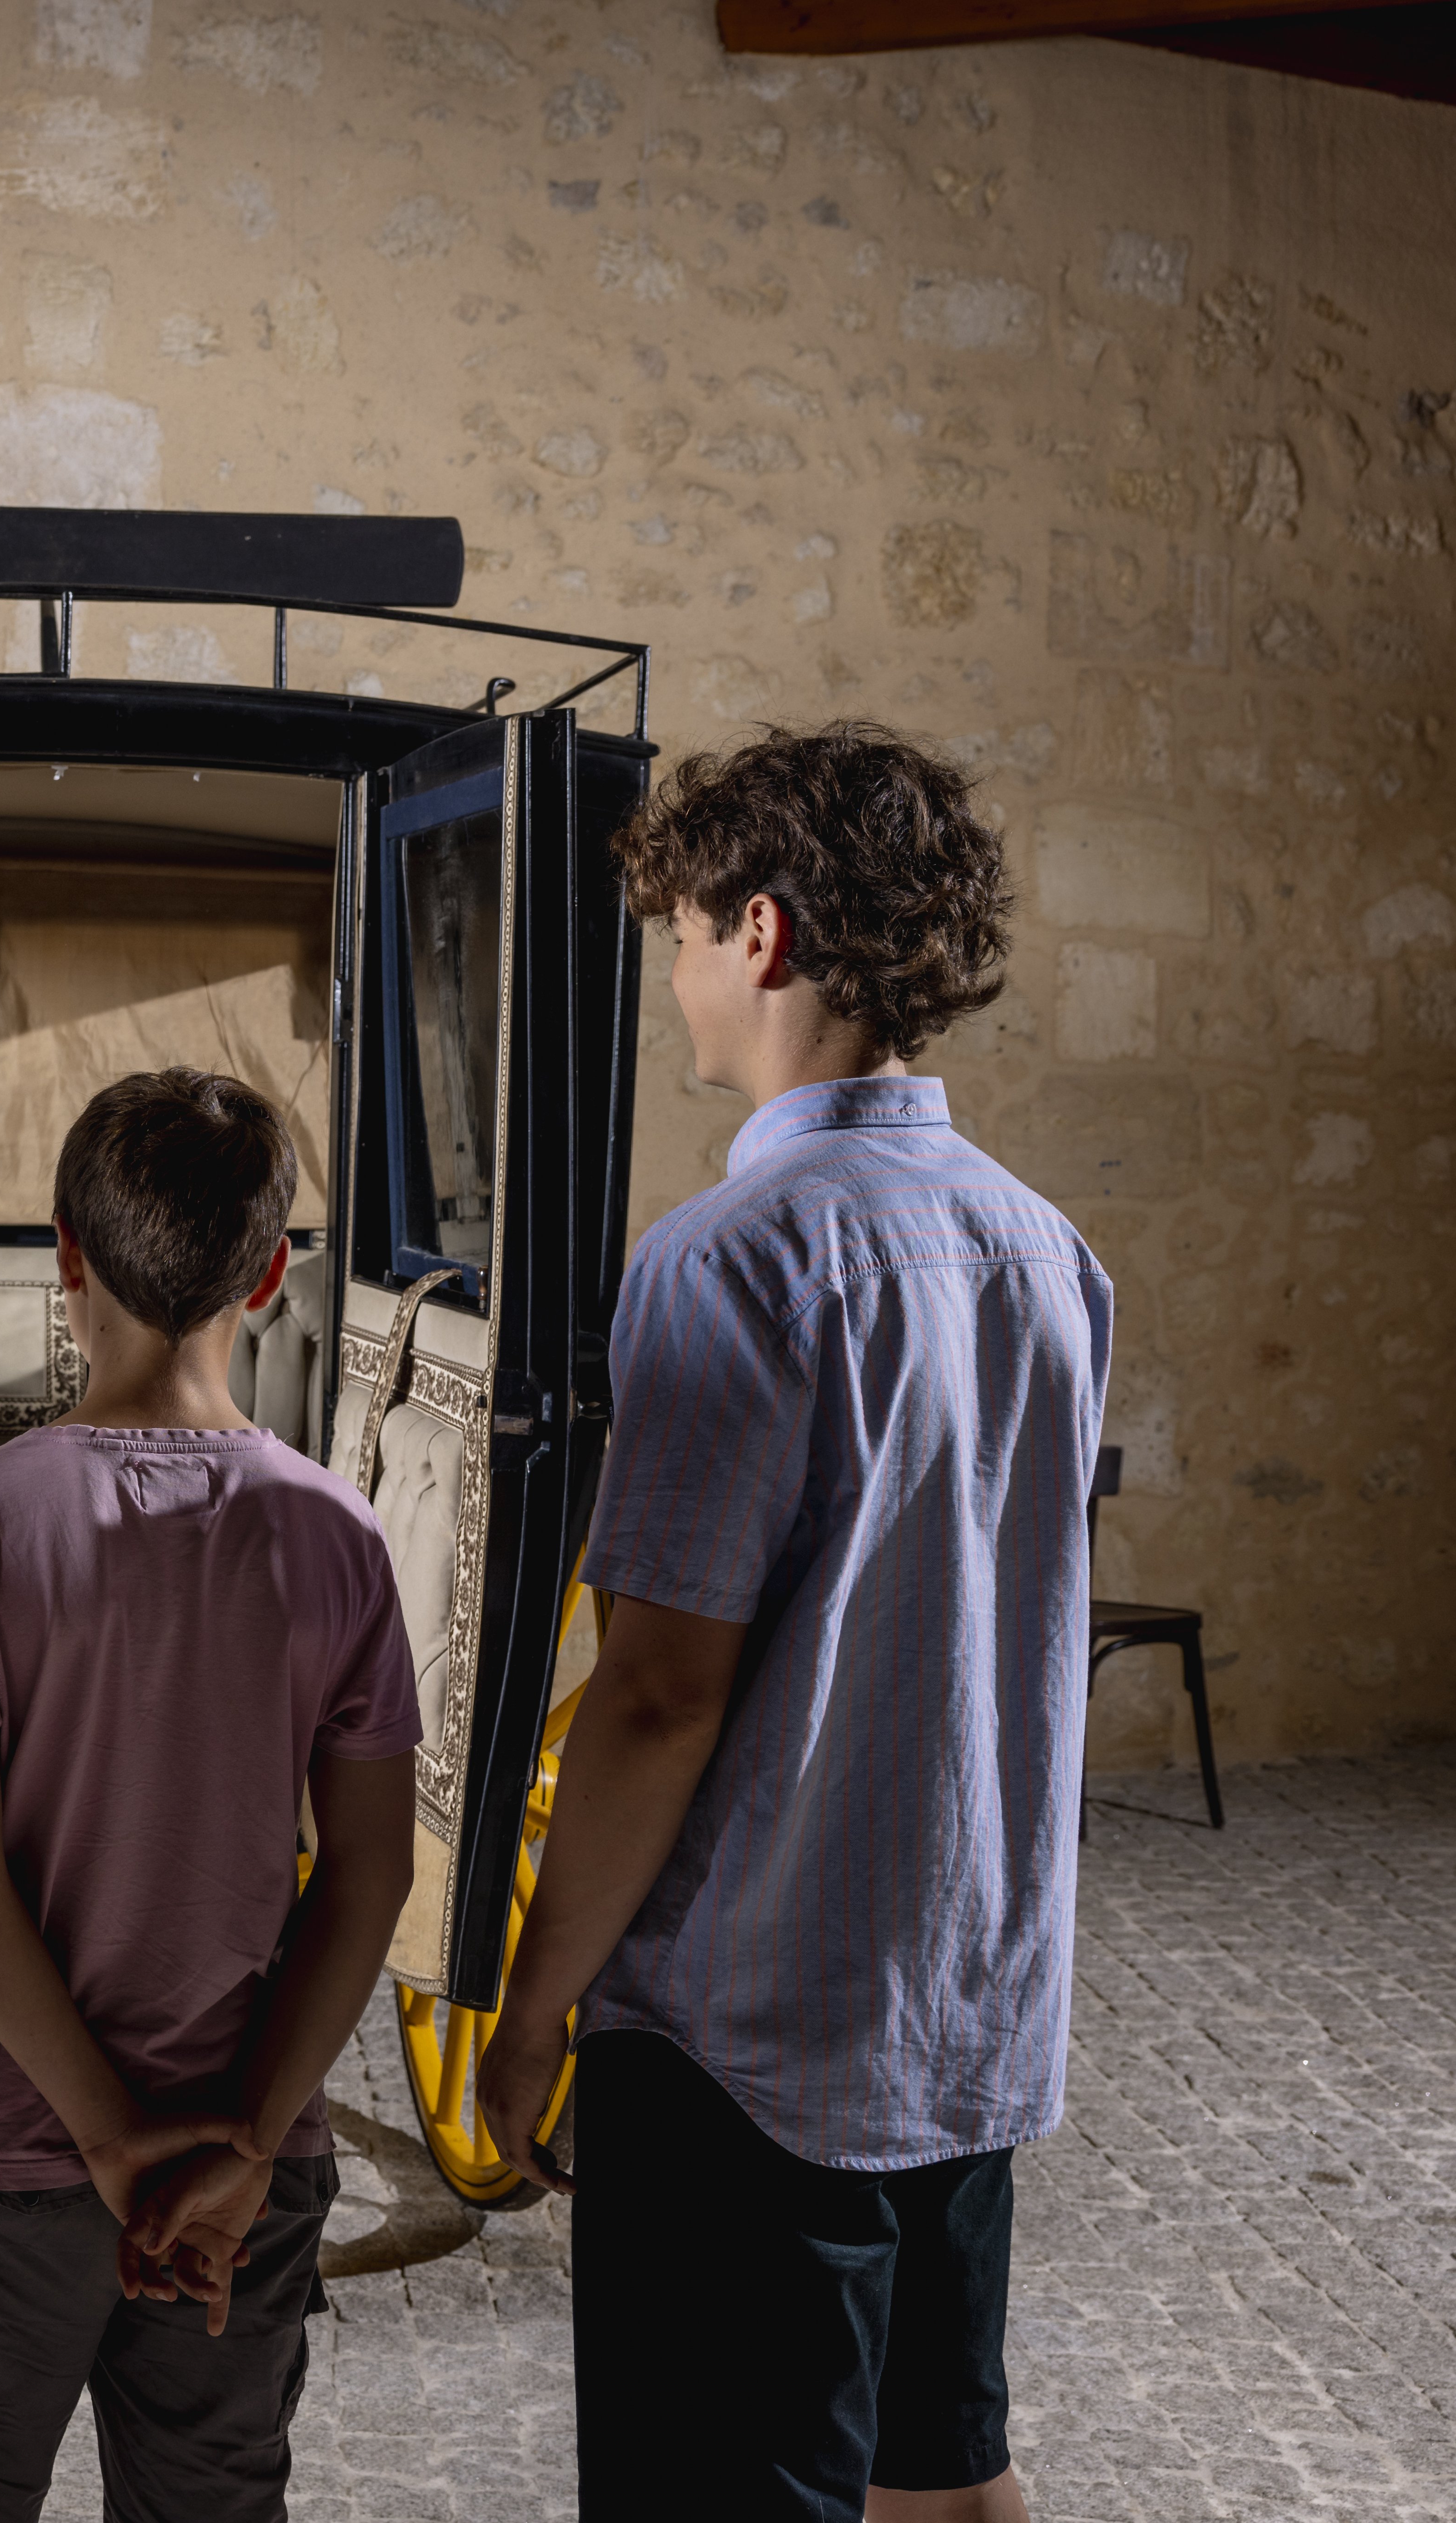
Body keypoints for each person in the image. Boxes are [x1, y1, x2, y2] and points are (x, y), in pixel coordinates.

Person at [474, 724, 1112, 2523]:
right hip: (964, 2009)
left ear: (754, 933)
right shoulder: (1044, 1249)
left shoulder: (728, 1253)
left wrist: (530, 2011)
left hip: (747, 2048)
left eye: (677, 931)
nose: (670, 977)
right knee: (947, 2481)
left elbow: (662, 1694)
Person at [0, 1068, 423, 2523]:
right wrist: (240, 2143)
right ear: (275, 1273)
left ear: (65, 1252)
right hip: (250, 2154)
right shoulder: (339, 1537)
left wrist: (107, 2141)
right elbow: (368, 1878)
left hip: (4, 2153)